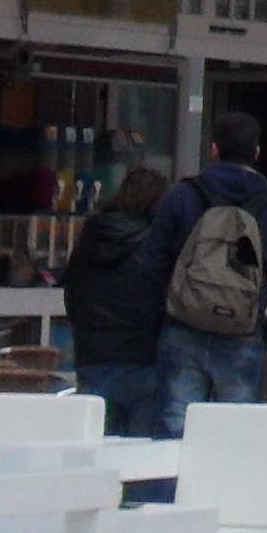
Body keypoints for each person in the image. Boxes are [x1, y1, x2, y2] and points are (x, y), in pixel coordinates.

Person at [144, 114, 267, 428]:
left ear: (214, 150)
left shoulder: (182, 196)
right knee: (236, 434)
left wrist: (166, 314)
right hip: (243, 334)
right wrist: (265, 332)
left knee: (177, 429)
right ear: (257, 153)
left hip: (182, 329)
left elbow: (151, 265)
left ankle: (176, 480)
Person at [64, 166, 169, 440]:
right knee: (143, 455)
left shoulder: (89, 238)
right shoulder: (155, 245)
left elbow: (72, 297)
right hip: (142, 360)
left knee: (96, 452)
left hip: (93, 358)